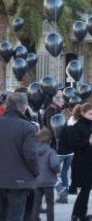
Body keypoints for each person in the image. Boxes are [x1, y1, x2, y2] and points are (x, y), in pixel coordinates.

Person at [0, 92, 39, 221]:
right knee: (15, 216)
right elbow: (31, 155)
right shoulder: (27, 127)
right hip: (19, 181)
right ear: (23, 107)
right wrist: (36, 172)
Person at [69, 102, 92, 221]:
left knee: (86, 190)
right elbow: (74, 144)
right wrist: (89, 142)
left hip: (90, 161)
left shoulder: (91, 124)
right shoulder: (78, 126)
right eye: (90, 114)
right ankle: (77, 214)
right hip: (82, 163)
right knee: (84, 190)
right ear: (83, 113)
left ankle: (81, 214)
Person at [31, 128, 61, 221]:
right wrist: (57, 171)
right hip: (48, 182)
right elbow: (55, 164)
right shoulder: (50, 152)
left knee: (36, 204)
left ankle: (34, 219)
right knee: (50, 203)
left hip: (36, 181)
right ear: (50, 140)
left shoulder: (33, 151)